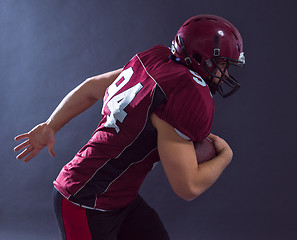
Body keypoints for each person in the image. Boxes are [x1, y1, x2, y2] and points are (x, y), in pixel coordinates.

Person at [14, 14, 245, 240]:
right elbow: (188, 186)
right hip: (84, 200)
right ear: (200, 57)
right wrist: (226, 154)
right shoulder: (179, 94)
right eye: (222, 64)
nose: (224, 73)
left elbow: (91, 87)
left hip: (120, 198)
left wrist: (50, 126)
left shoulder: (154, 62)